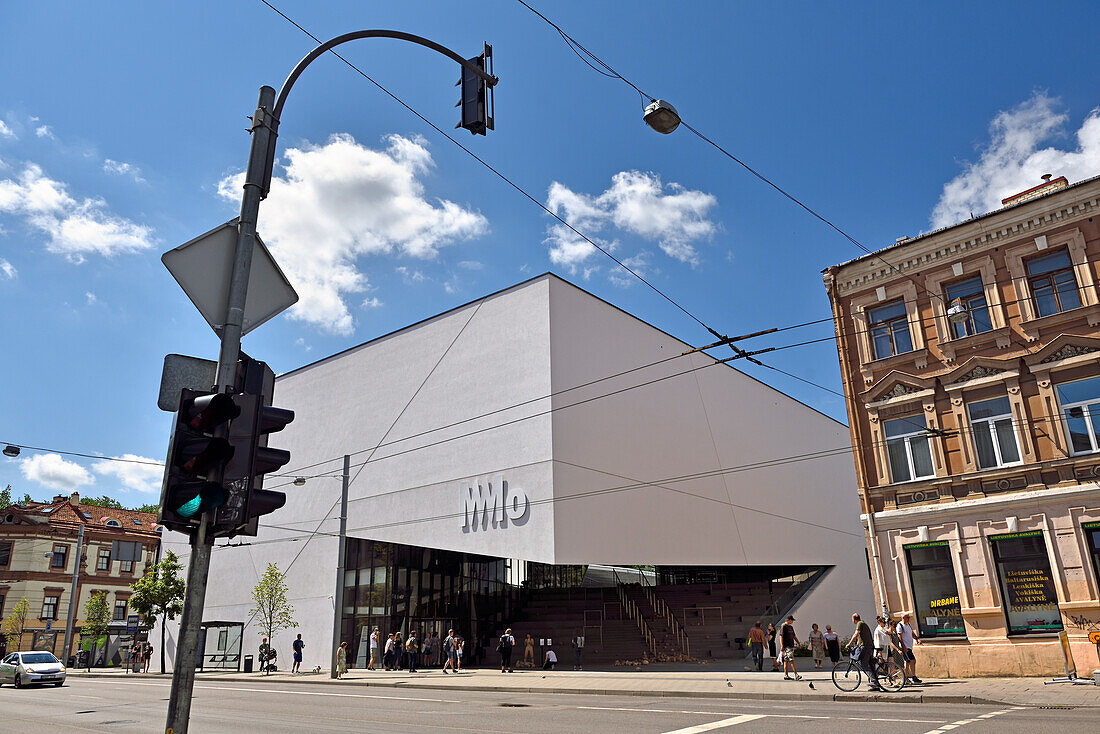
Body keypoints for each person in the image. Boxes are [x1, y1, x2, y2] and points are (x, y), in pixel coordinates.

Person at [846, 613, 879, 691]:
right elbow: (860, 638)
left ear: (854, 619)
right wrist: (855, 646)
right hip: (869, 646)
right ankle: (876, 684)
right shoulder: (863, 624)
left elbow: (856, 634)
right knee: (871, 665)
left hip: (866, 647)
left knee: (864, 665)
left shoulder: (859, 623)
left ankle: (874, 682)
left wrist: (849, 644)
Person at [895, 613, 922, 684]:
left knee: (908, 662)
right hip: (905, 647)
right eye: (908, 617)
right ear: (903, 618)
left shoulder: (908, 625)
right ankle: (913, 677)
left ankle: (906, 678)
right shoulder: (900, 625)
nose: (909, 619)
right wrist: (904, 647)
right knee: (912, 660)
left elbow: (912, 633)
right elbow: (899, 637)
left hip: (909, 646)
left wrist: (917, 639)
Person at [778, 614, 802, 681]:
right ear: (788, 620)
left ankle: (786, 675)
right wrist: (782, 645)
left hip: (791, 645)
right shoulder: (783, 626)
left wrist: (798, 643)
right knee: (791, 659)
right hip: (787, 646)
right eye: (791, 620)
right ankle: (796, 674)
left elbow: (794, 636)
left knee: (786, 660)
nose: (792, 622)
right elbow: (781, 636)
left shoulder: (790, 627)